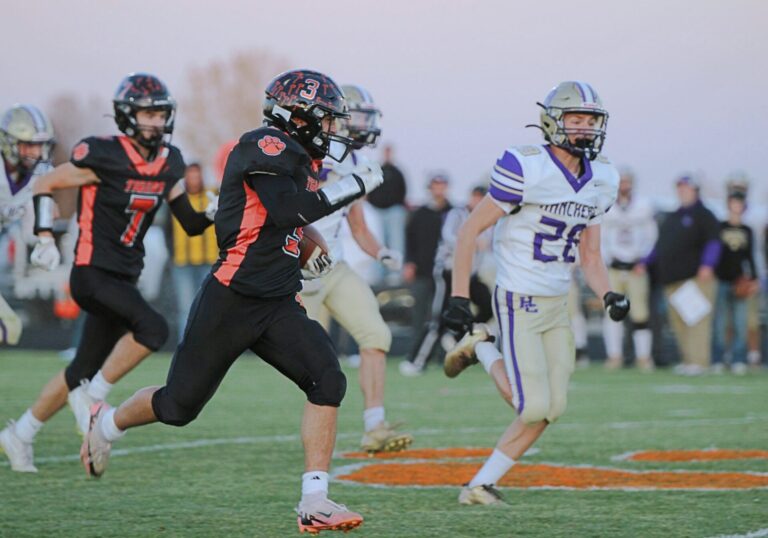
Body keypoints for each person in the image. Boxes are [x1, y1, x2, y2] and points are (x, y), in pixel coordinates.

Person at [80, 69, 383, 534]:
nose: (330, 130)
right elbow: (286, 209)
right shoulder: (264, 144)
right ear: (296, 117)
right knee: (178, 407)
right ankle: (105, 427)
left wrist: (311, 245)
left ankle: (315, 500)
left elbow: (288, 221)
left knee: (327, 379)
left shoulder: (299, 157)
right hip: (232, 298)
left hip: (278, 300)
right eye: (324, 120)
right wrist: (353, 185)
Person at [0, 73, 217, 473]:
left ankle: (21, 433)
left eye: (159, 113)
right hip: (92, 273)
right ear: (127, 115)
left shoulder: (169, 162)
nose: (155, 121)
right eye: (147, 113)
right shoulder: (104, 154)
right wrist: (45, 235)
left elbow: (188, 221)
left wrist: (215, 211)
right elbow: (46, 182)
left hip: (124, 278)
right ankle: (93, 399)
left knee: (79, 370)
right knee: (153, 329)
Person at [441, 81, 628, 505]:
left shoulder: (602, 179)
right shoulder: (526, 166)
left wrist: (608, 295)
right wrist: (458, 296)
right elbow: (470, 230)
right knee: (531, 406)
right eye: (576, 120)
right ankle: (482, 347)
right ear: (553, 122)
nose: (585, 129)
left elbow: (592, 255)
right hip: (518, 297)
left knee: (552, 409)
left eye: (591, 120)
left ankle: (479, 485)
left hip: (557, 301)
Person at [300, 84, 412, 454]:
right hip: (298, 273)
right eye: (359, 115)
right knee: (312, 366)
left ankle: (374, 426)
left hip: (334, 267)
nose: (365, 124)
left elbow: (358, 225)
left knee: (376, 336)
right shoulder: (305, 153)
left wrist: (382, 253)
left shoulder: (353, 163)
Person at [399, 186, 493, 376]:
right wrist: (472, 239)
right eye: (477, 197)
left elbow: (491, 245)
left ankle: (457, 337)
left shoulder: (490, 218)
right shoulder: (457, 214)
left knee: (488, 305)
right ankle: (416, 361)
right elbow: (449, 236)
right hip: (449, 272)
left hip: (471, 275)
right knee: (437, 320)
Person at [642, 175, 720, 375]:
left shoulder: (704, 214)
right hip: (672, 279)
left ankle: (700, 361)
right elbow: (660, 246)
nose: (682, 192)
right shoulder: (673, 216)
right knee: (678, 322)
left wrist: (707, 264)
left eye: (686, 188)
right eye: (680, 189)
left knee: (696, 320)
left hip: (694, 278)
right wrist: (645, 262)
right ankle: (688, 360)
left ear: (695, 190)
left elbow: (713, 241)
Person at [0, 104, 55, 345]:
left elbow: (41, 211)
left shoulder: (40, 174)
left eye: (40, 145)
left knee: (9, 330)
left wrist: (46, 240)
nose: (36, 152)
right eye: (29, 144)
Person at [600, 170, 657, 370]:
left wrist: (645, 261)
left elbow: (652, 237)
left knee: (640, 313)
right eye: (621, 181)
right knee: (612, 312)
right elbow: (600, 237)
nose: (624, 185)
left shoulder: (643, 206)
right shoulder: (606, 206)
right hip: (614, 266)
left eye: (627, 181)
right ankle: (614, 356)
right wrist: (605, 260)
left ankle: (643, 357)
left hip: (636, 266)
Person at [401, 174, 452, 369]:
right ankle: (415, 353)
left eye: (442, 185)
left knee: (441, 316)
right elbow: (409, 240)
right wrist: (409, 263)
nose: (439, 190)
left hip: (445, 274)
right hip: (422, 271)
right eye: (436, 186)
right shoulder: (420, 213)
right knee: (420, 315)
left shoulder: (453, 213)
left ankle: (440, 356)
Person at [168, 162, 219, 341]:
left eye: (197, 176)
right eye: (190, 176)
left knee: (209, 307)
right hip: (183, 262)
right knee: (186, 307)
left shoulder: (212, 195)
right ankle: (186, 346)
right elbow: (168, 229)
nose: (194, 180)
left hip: (208, 260)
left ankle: (211, 344)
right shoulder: (176, 198)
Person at [711, 190, 758, 374]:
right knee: (720, 323)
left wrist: (753, 279)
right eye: (733, 203)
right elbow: (715, 253)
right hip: (722, 280)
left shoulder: (747, 230)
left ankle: (739, 358)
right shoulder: (720, 227)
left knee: (740, 323)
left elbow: (750, 257)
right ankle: (718, 358)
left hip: (740, 281)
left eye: (739, 204)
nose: (736, 207)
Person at [367, 144, 407, 282]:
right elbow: (370, 188)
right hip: (377, 211)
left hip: (393, 212)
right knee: (378, 243)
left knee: (396, 243)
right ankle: (378, 276)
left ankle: (395, 275)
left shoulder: (397, 172)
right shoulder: (378, 170)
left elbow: (403, 191)